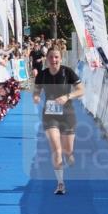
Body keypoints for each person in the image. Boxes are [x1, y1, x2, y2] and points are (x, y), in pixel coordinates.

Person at [32, 47, 83, 195]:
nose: (54, 60)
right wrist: (36, 96)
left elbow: (81, 90)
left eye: (56, 57)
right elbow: (36, 90)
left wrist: (68, 96)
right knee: (56, 149)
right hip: (50, 114)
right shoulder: (42, 75)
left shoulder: (68, 72)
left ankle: (69, 155)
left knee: (67, 151)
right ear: (46, 59)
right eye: (51, 58)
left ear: (61, 58)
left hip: (67, 114)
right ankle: (60, 184)